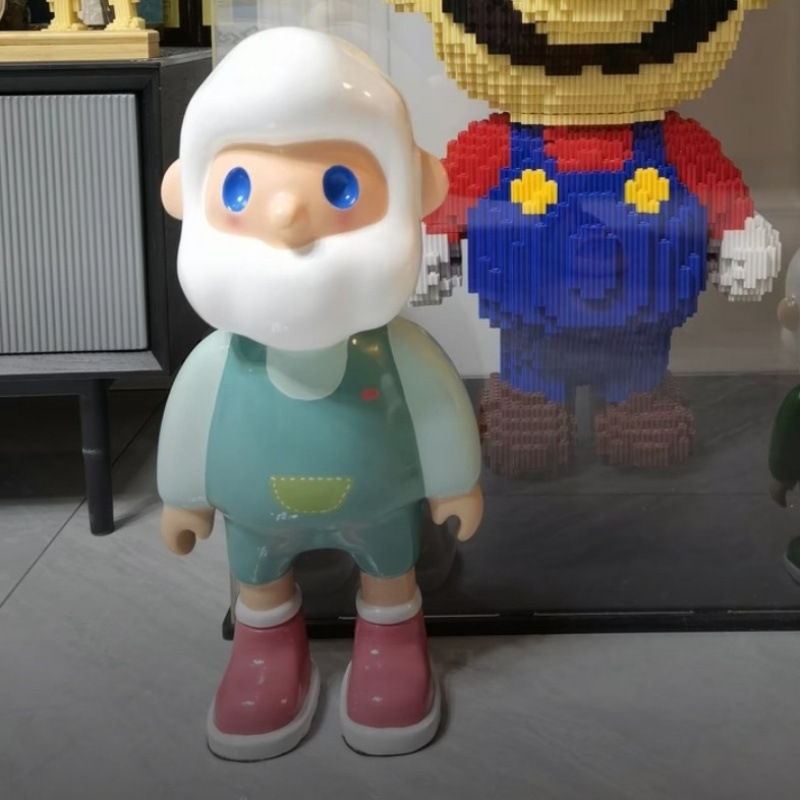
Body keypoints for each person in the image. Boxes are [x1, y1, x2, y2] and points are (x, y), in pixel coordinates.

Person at [156, 27, 483, 760]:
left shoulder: (396, 354)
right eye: (239, 189)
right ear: (186, 195)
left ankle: (392, 643)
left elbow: (435, 407)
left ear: (417, 188)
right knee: (259, 578)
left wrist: (454, 481)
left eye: (339, 185)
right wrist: (184, 498)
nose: (285, 218)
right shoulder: (222, 361)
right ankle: (266, 653)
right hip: (255, 518)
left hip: (381, 507)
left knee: (389, 568)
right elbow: (191, 420)